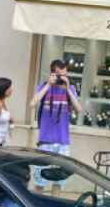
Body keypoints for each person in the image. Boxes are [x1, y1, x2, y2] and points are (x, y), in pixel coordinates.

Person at [30, 58, 83, 195]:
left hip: (63, 140)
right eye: (60, 75)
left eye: (64, 75)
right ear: (52, 74)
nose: (62, 78)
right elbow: (32, 104)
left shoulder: (69, 89)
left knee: (58, 180)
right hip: (45, 139)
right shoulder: (43, 86)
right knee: (40, 179)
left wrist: (68, 90)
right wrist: (48, 84)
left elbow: (78, 109)